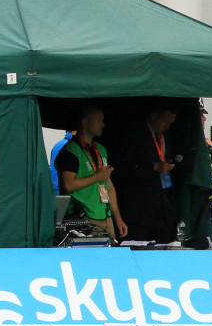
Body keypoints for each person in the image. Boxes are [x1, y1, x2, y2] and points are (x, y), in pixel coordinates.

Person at [54, 105, 127, 239]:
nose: (103, 124)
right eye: (99, 120)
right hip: (85, 220)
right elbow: (68, 185)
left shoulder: (100, 149)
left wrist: (118, 219)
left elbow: (108, 185)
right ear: (85, 123)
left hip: (106, 217)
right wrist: (96, 176)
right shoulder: (70, 151)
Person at [112, 102, 178, 243]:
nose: (167, 126)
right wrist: (152, 167)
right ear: (154, 116)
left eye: (170, 123)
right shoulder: (134, 135)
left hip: (163, 203)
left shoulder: (167, 136)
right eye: (165, 121)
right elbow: (121, 169)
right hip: (139, 207)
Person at [48, 130, 75, 195]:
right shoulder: (69, 146)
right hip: (61, 192)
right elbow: (55, 171)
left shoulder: (59, 145)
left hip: (58, 190)